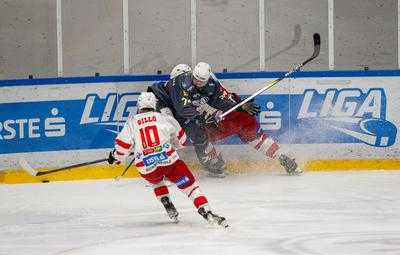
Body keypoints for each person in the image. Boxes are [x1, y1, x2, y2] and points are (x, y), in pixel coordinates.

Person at [151, 62, 301, 175]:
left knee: (200, 137)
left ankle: (214, 164)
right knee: (257, 138)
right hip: (235, 116)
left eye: (200, 80)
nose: (197, 82)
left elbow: (216, 103)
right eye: (195, 79)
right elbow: (190, 107)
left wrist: (235, 108)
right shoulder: (196, 84)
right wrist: (238, 107)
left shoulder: (200, 86)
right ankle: (281, 156)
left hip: (226, 120)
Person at [107, 92, 228, 227]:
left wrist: (114, 157)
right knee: (190, 187)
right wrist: (170, 143)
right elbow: (181, 141)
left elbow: (122, 149)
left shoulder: (132, 122)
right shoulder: (165, 118)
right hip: (169, 162)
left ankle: (165, 200)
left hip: (146, 167)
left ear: (139, 106)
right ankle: (206, 211)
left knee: (156, 181)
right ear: (154, 105)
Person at [148, 65, 228, 177]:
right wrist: (200, 116)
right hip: (166, 108)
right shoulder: (163, 91)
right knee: (166, 135)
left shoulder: (191, 89)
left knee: (199, 135)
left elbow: (189, 108)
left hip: (181, 113)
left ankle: (209, 164)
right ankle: (160, 168)